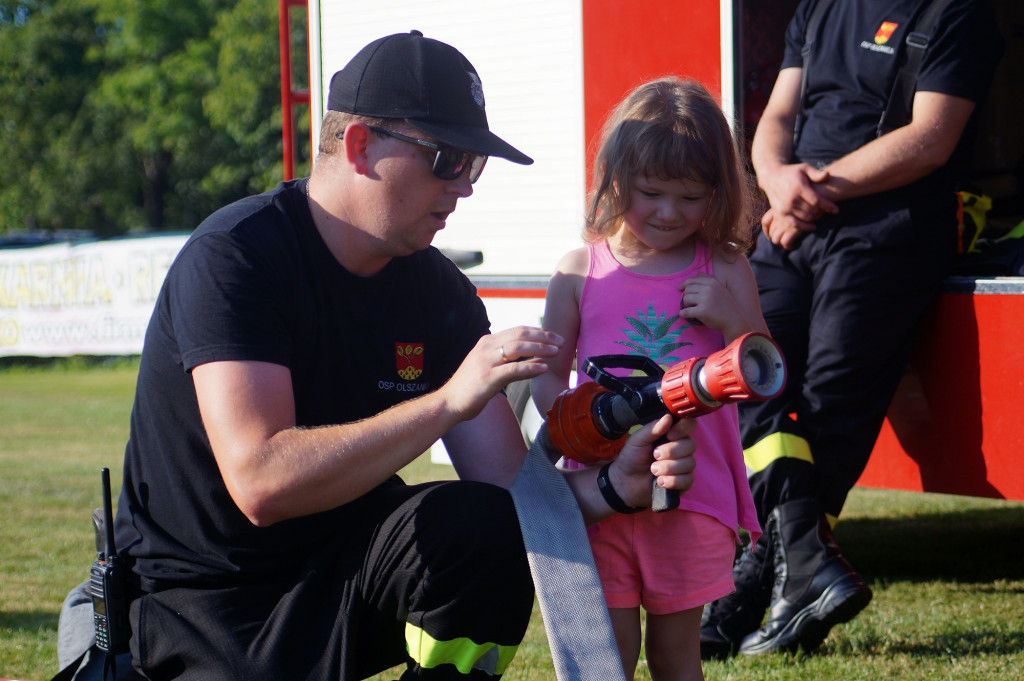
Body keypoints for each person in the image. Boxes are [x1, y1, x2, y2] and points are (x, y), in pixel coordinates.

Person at [101, 31, 698, 681]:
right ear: (359, 144)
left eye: (475, 165)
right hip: (206, 603)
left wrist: (614, 485)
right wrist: (444, 402)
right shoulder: (237, 257)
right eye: (448, 158)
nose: (464, 188)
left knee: (480, 525)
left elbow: (510, 488)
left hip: (342, 576)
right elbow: (262, 482)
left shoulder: (437, 291)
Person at [700, 0, 1005, 659]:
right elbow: (777, 117)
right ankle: (795, 569)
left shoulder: (958, 15)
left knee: (832, 402)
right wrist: (776, 179)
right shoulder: (820, 7)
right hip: (795, 222)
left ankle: (757, 580)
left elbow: (931, 138)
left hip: (887, 231)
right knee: (749, 365)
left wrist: (808, 192)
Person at [531, 77, 764, 681]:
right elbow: (550, 374)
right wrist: (577, 426)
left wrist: (730, 318)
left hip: (693, 492)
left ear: (720, 192)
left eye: (691, 198)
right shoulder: (581, 270)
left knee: (676, 653)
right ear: (615, 178)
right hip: (601, 489)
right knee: (608, 652)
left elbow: (763, 367)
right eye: (651, 192)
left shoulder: (727, 267)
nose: (668, 213)